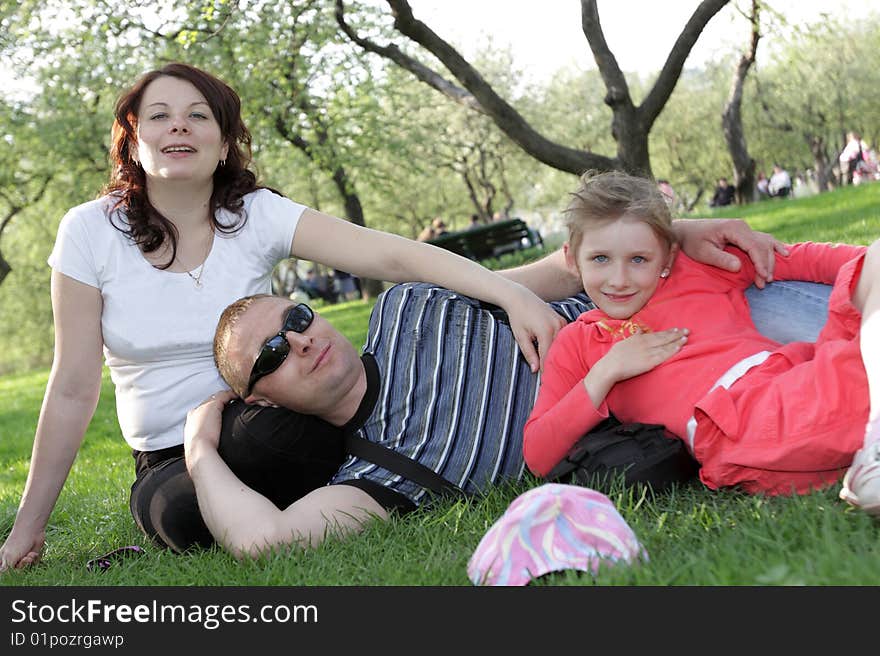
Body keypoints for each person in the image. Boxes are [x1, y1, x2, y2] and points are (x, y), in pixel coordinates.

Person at [0, 61, 573, 571]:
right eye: (159, 116)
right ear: (132, 140)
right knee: (181, 514)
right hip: (170, 450)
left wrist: (512, 294)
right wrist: (28, 527)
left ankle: (337, 488)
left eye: (198, 115)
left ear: (223, 144)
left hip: (272, 411)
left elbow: (392, 254)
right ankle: (289, 501)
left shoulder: (253, 215)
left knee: (273, 440)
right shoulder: (88, 232)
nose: (179, 126)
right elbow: (74, 385)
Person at [182, 248, 834, 559]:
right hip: (708, 396)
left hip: (689, 311)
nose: (299, 341)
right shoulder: (377, 476)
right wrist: (199, 448)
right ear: (260, 400)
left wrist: (684, 232)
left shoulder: (407, 304)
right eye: (269, 355)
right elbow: (264, 543)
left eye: (296, 316)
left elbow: (565, 270)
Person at [523, 170, 879, 515]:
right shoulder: (581, 342)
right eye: (600, 259)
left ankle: (870, 447)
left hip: (798, 397)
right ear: (572, 258)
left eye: (638, 260)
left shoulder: (698, 269)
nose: (619, 279)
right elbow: (538, 455)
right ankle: (874, 439)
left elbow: (801, 258)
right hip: (741, 421)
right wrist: (606, 372)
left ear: (668, 257)